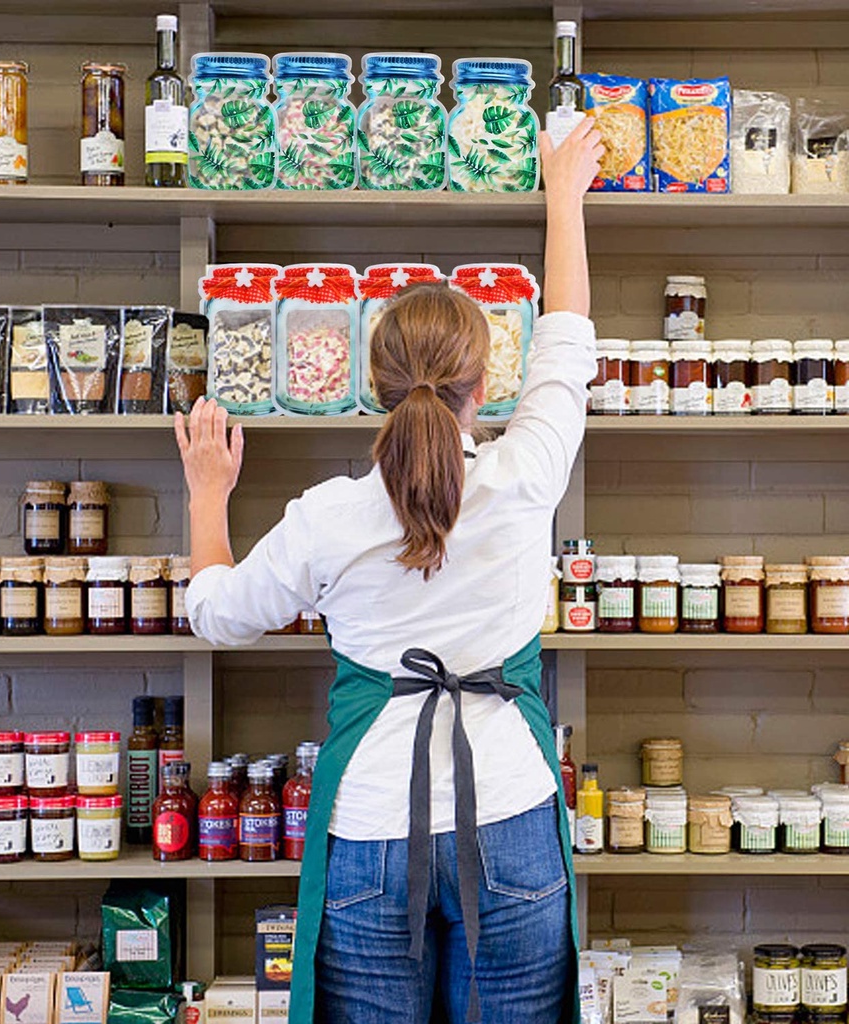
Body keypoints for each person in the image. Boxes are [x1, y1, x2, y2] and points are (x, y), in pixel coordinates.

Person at [175, 120, 604, 1024]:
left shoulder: (327, 518)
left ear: (373, 387)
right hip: (516, 822)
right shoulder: (526, 476)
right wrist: (562, 198)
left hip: (372, 828)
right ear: (484, 385)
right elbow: (567, 342)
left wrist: (208, 491)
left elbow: (215, 613)